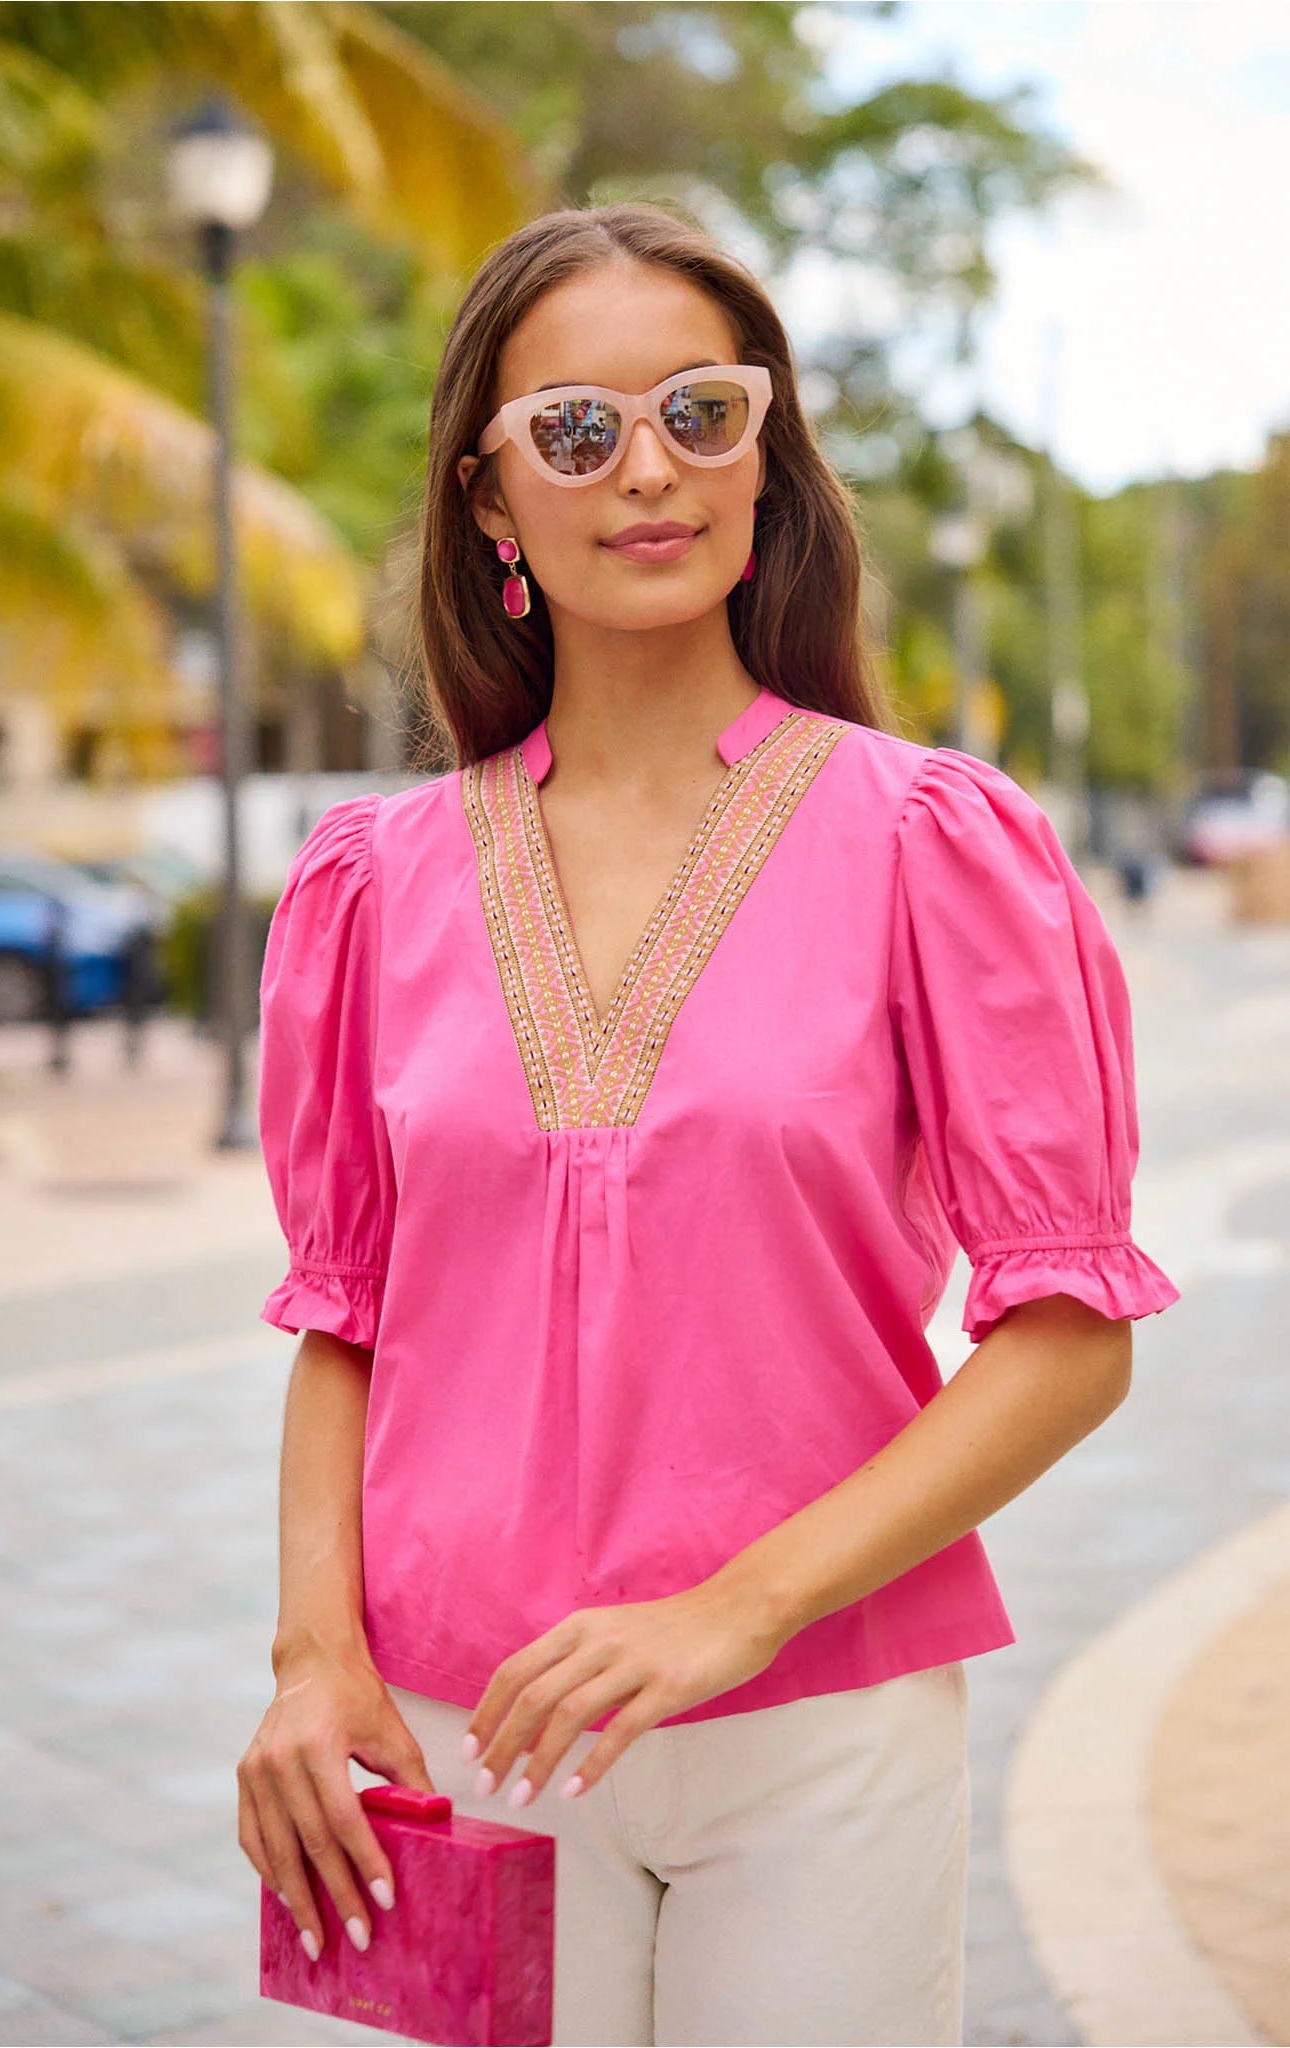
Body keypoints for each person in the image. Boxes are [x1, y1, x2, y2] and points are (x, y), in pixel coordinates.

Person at [237, 202, 1180, 2047]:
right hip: (454, 1728)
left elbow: (1068, 1339)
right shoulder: (372, 883)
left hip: (813, 1720)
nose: (648, 469)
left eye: (701, 410)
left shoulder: (932, 842)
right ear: (491, 502)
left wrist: (729, 1614)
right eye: (577, 431)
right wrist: (308, 1660)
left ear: (769, 457)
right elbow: (343, 1310)